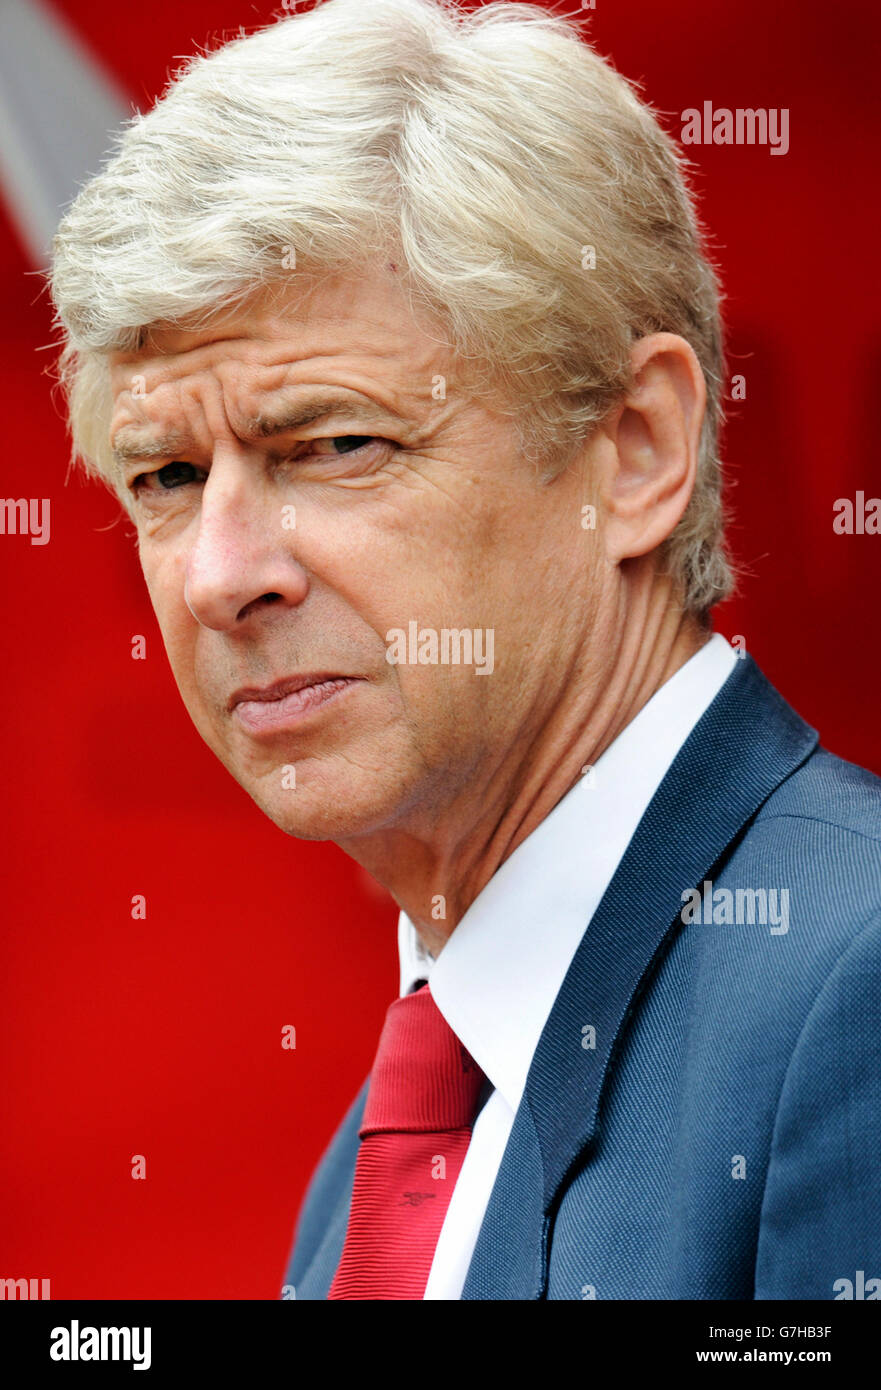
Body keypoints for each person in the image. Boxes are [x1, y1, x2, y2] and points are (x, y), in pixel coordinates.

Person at [49, 0, 880, 1300]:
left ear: (637, 447)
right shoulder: (398, 1129)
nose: (220, 575)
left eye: (332, 443)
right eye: (164, 473)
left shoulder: (854, 990)